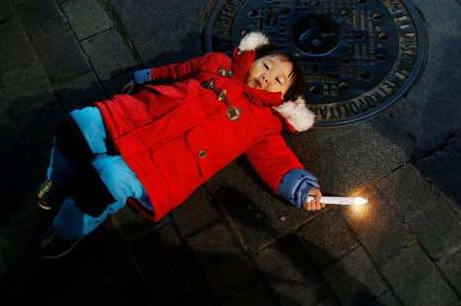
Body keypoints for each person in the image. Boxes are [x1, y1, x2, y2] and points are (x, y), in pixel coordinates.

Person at [35, 32, 324, 259]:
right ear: (254, 57)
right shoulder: (219, 64)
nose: (266, 75)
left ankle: (66, 231)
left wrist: (301, 187)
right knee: (78, 126)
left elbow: (275, 159)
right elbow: (179, 70)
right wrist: (144, 78)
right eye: (267, 64)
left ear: (284, 97)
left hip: (167, 163)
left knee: (105, 179)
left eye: (277, 79)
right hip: (141, 115)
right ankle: (60, 181)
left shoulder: (265, 122)